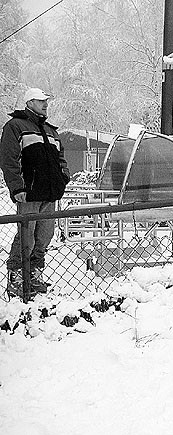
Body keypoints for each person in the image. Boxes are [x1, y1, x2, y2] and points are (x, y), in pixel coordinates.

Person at [0, 88, 70, 297]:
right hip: (29, 193)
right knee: (26, 236)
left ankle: (35, 275)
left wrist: (63, 178)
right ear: (29, 102)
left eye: (46, 101)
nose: (45, 104)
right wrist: (17, 187)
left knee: (44, 237)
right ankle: (17, 276)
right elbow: (9, 159)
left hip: (50, 193)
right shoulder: (15, 127)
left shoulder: (50, 130)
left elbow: (61, 158)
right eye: (41, 101)